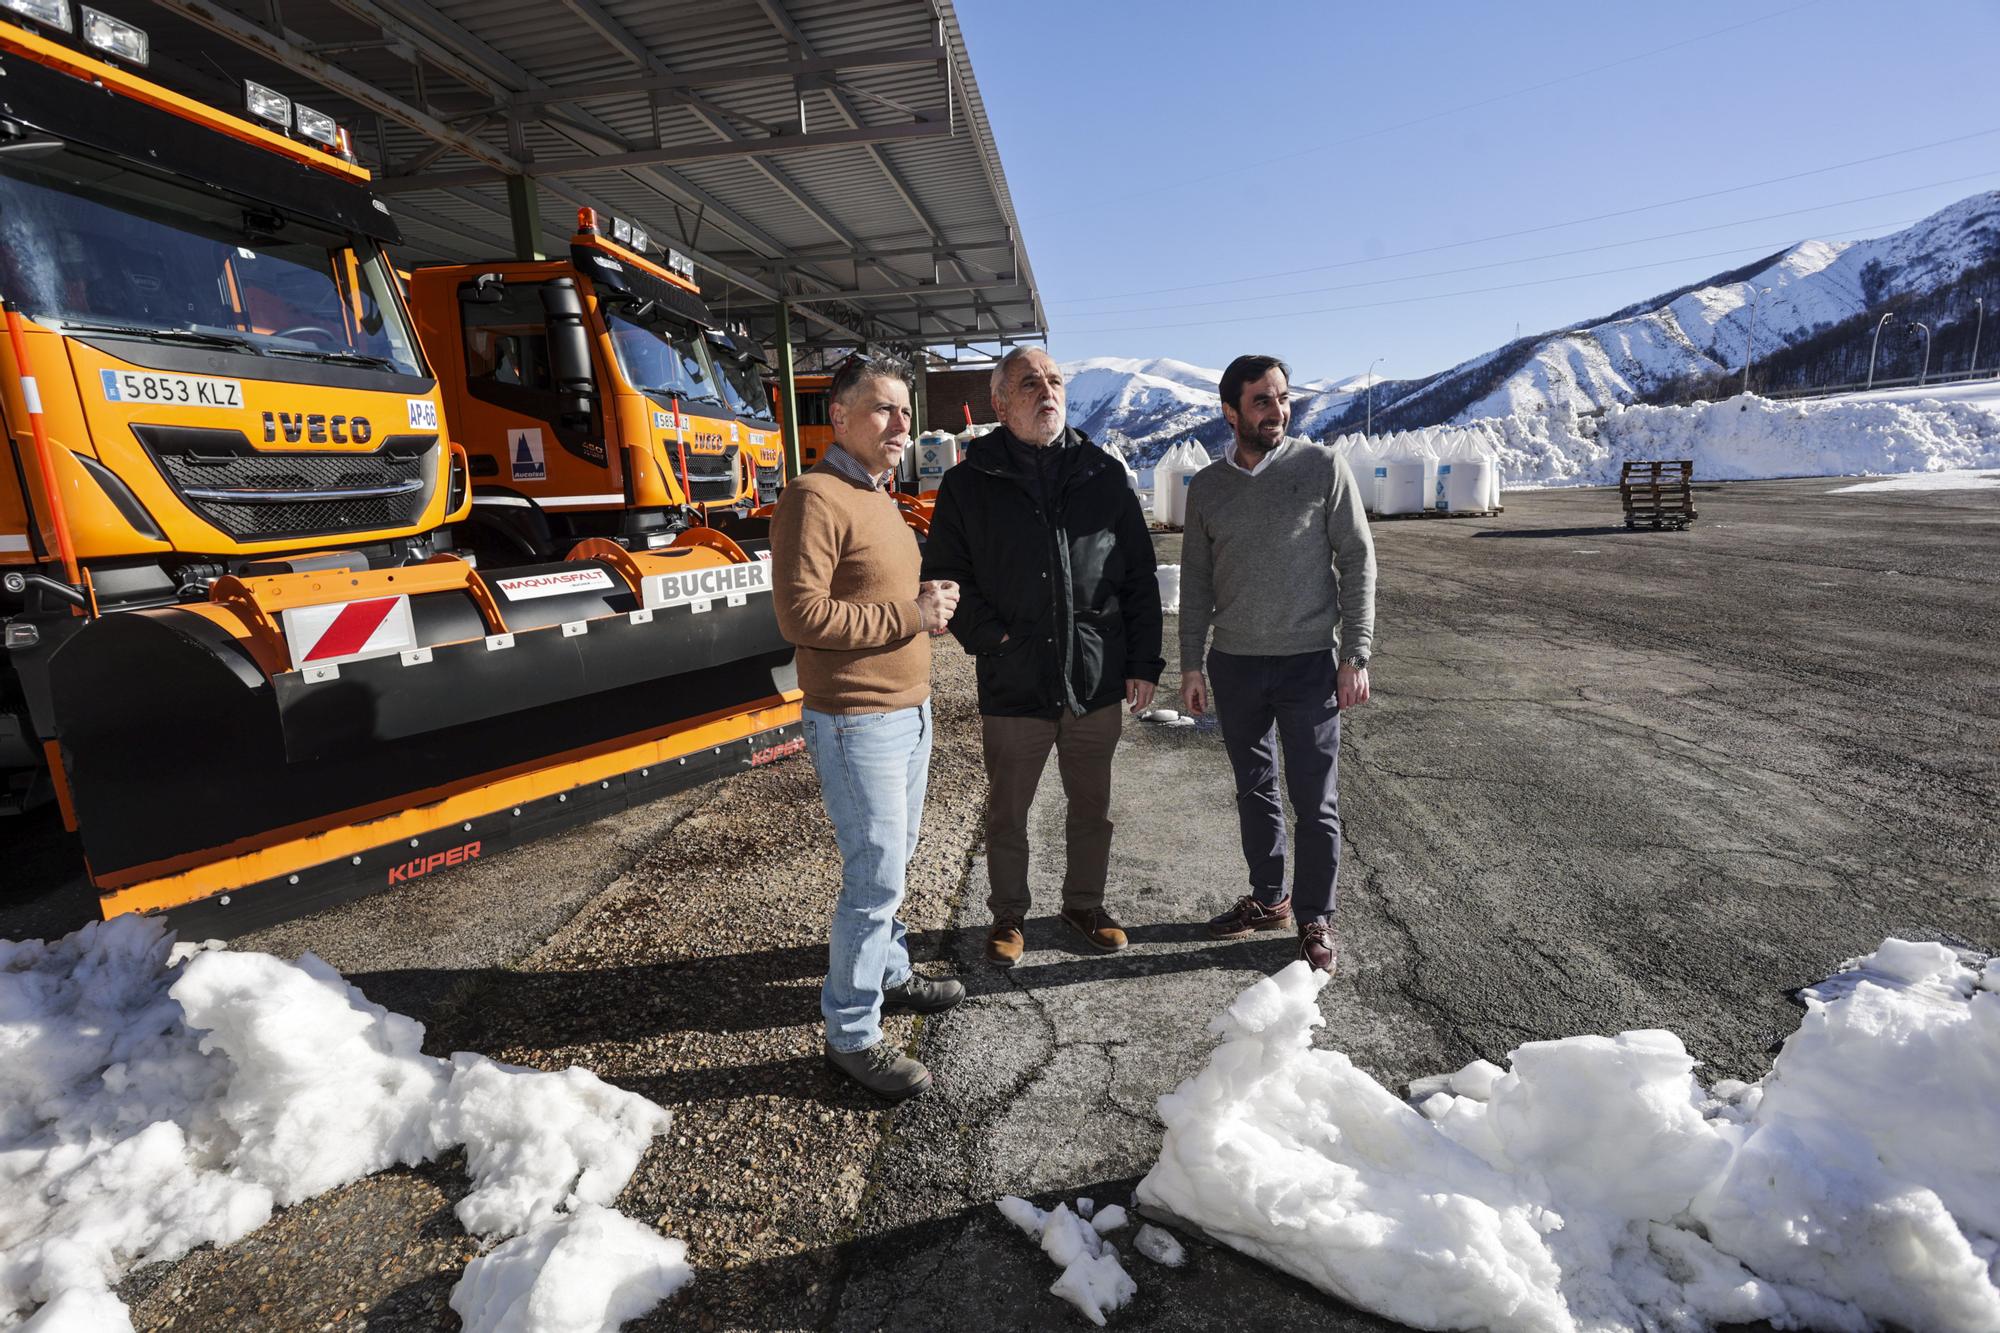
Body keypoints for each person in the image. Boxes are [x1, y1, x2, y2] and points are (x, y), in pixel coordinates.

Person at [923, 347, 1164, 967]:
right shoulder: (968, 483)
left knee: (1093, 808)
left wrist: (1143, 662)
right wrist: (996, 639)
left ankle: (1084, 905)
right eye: (1030, 383)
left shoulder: (1102, 475)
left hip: (1094, 678)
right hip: (1014, 680)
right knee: (1008, 812)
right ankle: (1008, 916)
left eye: (1054, 380)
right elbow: (947, 578)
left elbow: (1137, 576)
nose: (1046, 391)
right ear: (1001, 403)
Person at [769, 354, 965, 1101]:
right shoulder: (814, 496)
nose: (901, 423)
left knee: (898, 859)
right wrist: (910, 614)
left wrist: (923, 607)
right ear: (839, 417)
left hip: (907, 710)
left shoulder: (879, 496)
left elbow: (871, 597)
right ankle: (852, 1033)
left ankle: (890, 974)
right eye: (883, 408)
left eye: (905, 411)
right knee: (875, 874)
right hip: (857, 720)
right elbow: (801, 615)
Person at [1179, 354, 1376, 972]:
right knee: (1253, 788)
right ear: (1230, 411)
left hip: (1308, 665)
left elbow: (1359, 560)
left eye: (1283, 398)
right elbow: (1197, 583)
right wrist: (1191, 664)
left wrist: (1356, 654)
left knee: (1315, 800)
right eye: (1262, 400)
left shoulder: (1322, 468)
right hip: (1235, 666)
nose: (1277, 411)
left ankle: (1317, 917)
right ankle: (1269, 899)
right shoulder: (1208, 487)